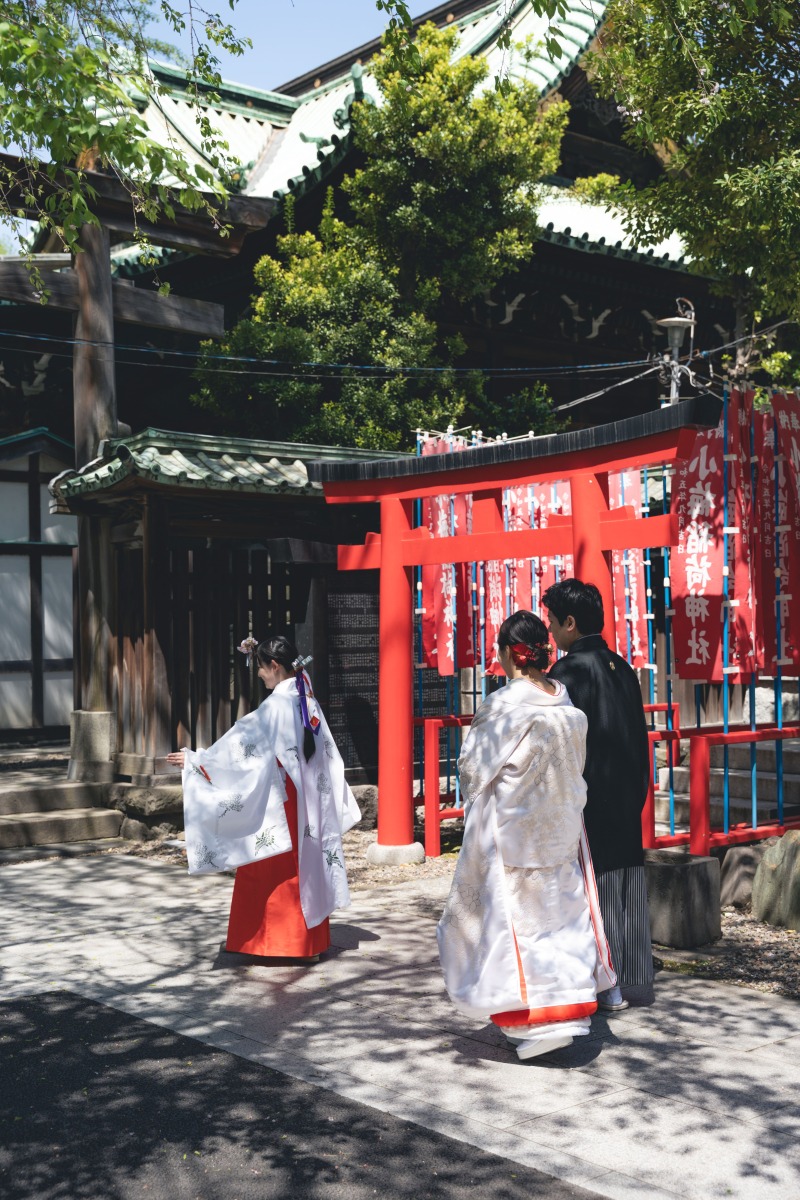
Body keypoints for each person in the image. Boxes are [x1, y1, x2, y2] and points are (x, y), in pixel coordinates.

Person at [437, 610, 616, 1061]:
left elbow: (474, 770)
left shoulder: (503, 705)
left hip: (515, 830)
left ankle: (535, 1022)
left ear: (505, 654)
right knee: (561, 920)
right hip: (561, 829)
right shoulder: (562, 697)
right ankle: (569, 1011)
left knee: (516, 926)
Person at [167, 635, 361, 960]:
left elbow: (238, 749)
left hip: (282, 801)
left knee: (269, 864)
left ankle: (274, 943)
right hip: (309, 799)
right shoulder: (306, 698)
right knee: (305, 865)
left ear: (274, 666)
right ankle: (307, 943)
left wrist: (198, 761)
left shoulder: (275, 706)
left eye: (260, 667)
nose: (258, 674)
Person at [543, 578, 653, 1011]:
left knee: (588, 886)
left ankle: (601, 981)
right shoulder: (621, 666)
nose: (549, 631)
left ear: (570, 622)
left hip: (589, 797)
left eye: (553, 622)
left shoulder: (568, 672)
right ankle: (630, 975)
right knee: (622, 881)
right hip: (627, 790)